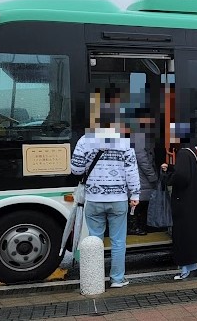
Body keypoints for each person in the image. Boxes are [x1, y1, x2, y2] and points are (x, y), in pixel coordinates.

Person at [70, 113, 140, 288]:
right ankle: (117, 279)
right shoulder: (124, 142)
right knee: (118, 241)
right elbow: (132, 172)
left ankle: (95, 280)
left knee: (95, 240)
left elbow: (76, 170)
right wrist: (135, 195)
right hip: (118, 200)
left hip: (93, 199)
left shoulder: (85, 140)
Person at [162, 145, 197, 280]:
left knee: (183, 236)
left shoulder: (182, 153)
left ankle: (187, 270)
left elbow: (182, 177)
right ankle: (193, 268)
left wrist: (168, 177)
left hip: (184, 201)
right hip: (193, 201)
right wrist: (172, 168)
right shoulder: (191, 151)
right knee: (192, 235)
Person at [129, 116, 158, 236]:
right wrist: (153, 176)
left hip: (141, 177)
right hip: (142, 178)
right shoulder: (139, 137)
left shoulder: (140, 136)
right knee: (139, 203)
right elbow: (143, 160)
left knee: (140, 203)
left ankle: (138, 226)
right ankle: (135, 227)